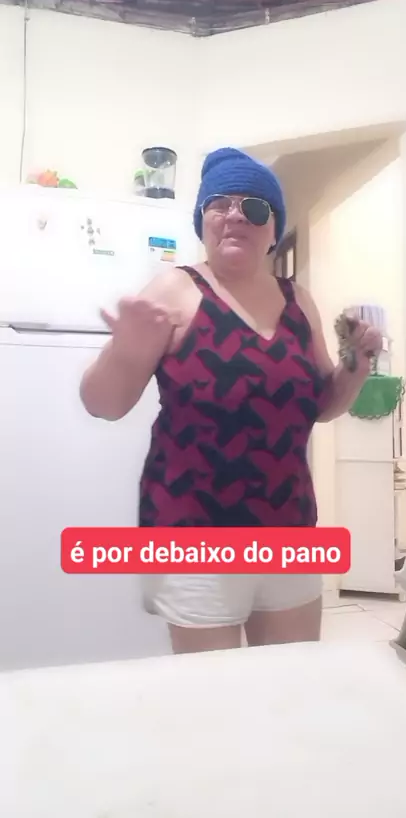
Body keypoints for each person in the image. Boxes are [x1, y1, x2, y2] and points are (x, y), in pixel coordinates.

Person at [80, 147, 382, 654]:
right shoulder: (174, 289)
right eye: (219, 204)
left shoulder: (299, 301)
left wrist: (357, 366)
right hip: (193, 536)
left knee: (289, 682)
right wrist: (126, 353)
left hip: (289, 529)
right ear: (202, 220)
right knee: (213, 694)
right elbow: (102, 405)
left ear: (273, 228)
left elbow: (320, 405)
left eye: (255, 207)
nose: (236, 215)